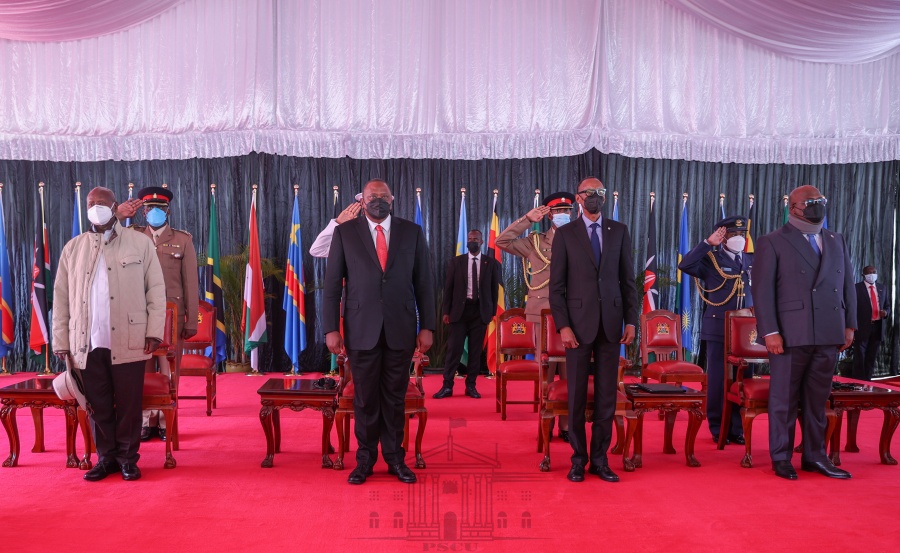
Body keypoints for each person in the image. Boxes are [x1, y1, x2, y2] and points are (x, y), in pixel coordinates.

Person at [323, 178, 435, 485]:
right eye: (372, 196)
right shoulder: (345, 233)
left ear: (393, 199)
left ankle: (396, 460)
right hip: (360, 330)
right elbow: (332, 286)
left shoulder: (411, 232)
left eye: (383, 196)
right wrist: (331, 329)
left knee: (395, 398)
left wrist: (427, 326)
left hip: (400, 328)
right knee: (366, 399)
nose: (378, 200)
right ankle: (365, 460)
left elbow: (424, 283)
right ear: (362, 200)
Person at [52, 186, 166, 482]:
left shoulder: (139, 243)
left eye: (101, 203)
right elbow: (61, 297)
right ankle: (106, 458)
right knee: (97, 404)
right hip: (86, 343)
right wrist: (61, 341)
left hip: (130, 338)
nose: (95, 207)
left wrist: (154, 331)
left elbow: (156, 290)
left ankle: (128, 459)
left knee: (129, 404)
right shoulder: (73, 248)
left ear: (114, 206)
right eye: (91, 203)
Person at [752, 184, 855, 480]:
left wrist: (849, 325)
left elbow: (847, 283)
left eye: (821, 200)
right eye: (810, 201)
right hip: (789, 333)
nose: (817, 205)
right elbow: (762, 291)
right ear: (793, 207)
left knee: (817, 399)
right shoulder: (772, 241)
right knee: (784, 399)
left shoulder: (836, 239)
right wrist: (769, 331)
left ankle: (815, 456)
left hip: (828, 330)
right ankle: (781, 457)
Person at [548, 177, 638, 483]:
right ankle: (578, 459)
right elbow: (556, 288)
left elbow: (628, 282)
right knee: (575, 398)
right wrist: (563, 327)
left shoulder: (619, 231)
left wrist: (631, 320)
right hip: (577, 328)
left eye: (600, 192)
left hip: (612, 327)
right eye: (590, 193)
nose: (595, 197)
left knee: (605, 398)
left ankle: (599, 460)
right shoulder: (566, 234)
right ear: (578, 198)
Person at [117, 186, 199, 442]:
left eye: (160, 209)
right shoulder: (131, 236)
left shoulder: (183, 240)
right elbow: (105, 235)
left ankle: (165, 422)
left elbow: (191, 283)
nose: (155, 213)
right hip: (138, 317)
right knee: (141, 370)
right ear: (143, 213)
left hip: (170, 318)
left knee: (168, 371)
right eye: (150, 209)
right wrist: (119, 216)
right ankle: (145, 422)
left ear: (168, 212)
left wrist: (191, 319)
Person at [497, 191, 575, 441]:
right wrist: (527, 220)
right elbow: (502, 242)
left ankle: (566, 427)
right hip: (542, 315)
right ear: (549, 214)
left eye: (567, 211)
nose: (563, 215)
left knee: (570, 373)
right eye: (559, 212)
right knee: (546, 372)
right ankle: (546, 425)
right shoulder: (535, 241)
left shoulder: (580, 239)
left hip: (573, 313)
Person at [678, 215, 752, 445]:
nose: (738, 238)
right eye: (732, 235)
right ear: (722, 237)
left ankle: (737, 429)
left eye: (741, 234)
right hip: (719, 327)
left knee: (743, 380)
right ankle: (718, 427)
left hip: (747, 331)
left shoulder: (751, 260)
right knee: (720, 380)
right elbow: (685, 265)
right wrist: (706, 244)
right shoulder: (711, 259)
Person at [434, 229, 501, 400]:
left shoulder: (491, 263)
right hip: (459, 312)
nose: (472, 241)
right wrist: (446, 311)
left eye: (476, 239)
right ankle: (447, 385)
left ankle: (471, 386)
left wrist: (491, 313)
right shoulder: (456, 262)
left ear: (482, 242)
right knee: (454, 350)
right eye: (470, 239)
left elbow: (494, 291)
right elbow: (448, 288)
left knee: (475, 352)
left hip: (479, 313)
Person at [851, 265, 889, 381]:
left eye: (874, 272)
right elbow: (851, 308)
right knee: (860, 357)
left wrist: (886, 312)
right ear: (863, 275)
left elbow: (887, 305)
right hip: (861, 327)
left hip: (877, 327)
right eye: (869, 272)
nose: (872, 274)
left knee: (871, 357)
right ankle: (859, 383)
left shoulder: (882, 288)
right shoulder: (856, 288)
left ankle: (868, 382)